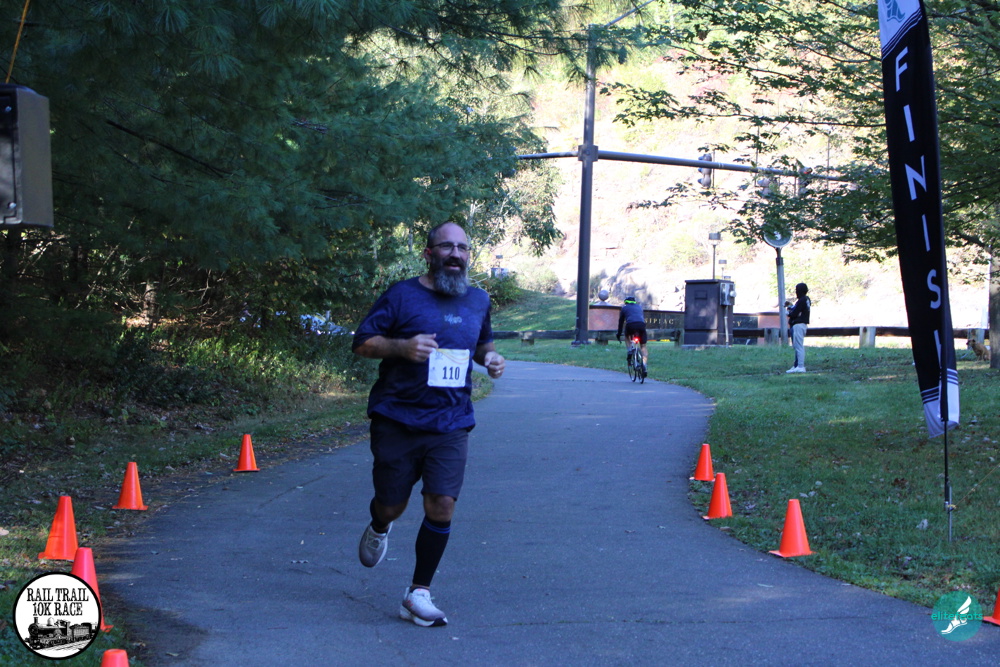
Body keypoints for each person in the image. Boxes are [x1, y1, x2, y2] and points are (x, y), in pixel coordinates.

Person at [351, 221, 505, 628]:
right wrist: (401, 346)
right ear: (429, 253)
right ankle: (380, 523)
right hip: (397, 417)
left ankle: (418, 592)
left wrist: (490, 359)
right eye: (447, 247)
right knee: (392, 503)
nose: (456, 254)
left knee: (442, 504)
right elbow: (362, 341)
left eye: (463, 248)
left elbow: (483, 343)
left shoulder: (478, 299)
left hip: (451, 420)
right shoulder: (402, 295)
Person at [616, 295, 648, 376]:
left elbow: (621, 322)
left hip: (630, 325)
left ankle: (630, 350)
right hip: (641, 325)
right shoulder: (639, 307)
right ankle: (644, 364)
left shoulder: (624, 308)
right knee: (643, 346)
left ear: (626, 302)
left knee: (627, 336)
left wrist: (619, 334)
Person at [785, 282, 811, 373]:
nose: (796, 292)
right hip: (801, 324)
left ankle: (800, 366)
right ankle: (796, 365)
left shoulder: (802, 300)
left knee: (799, 346)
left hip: (798, 325)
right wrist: (791, 307)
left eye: (797, 290)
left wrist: (788, 311)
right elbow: (797, 309)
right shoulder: (806, 300)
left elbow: (794, 313)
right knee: (796, 346)